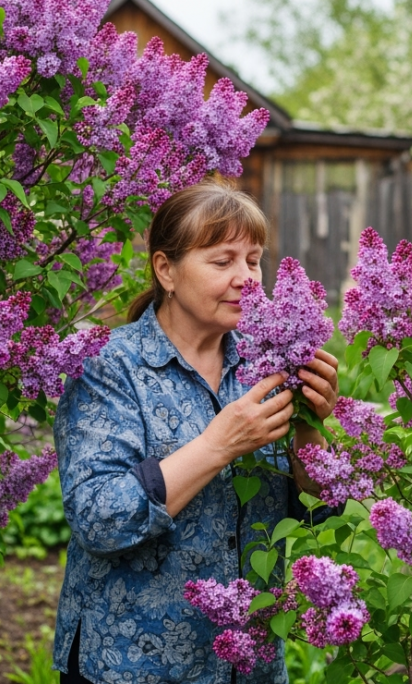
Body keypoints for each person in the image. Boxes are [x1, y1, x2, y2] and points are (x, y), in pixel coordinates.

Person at [51, 181, 340, 683]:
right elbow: (99, 518)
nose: (246, 279)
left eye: (253, 260)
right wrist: (217, 445)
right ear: (166, 269)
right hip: (131, 662)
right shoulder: (108, 366)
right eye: (222, 261)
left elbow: (315, 507)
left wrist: (311, 425)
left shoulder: (268, 362)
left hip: (246, 663)